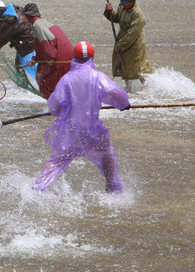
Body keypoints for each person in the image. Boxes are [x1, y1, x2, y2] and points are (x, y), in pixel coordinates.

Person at [34, 41, 130, 194]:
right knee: (107, 155)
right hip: (94, 132)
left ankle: (38, 187)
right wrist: (124, 105)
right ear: (92, 57)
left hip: (70, 133)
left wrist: (63, 110)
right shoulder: (98, 77)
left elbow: (54, 106)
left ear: (74, 58)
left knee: (57, 161)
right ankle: (112, 184)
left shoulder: (67, 79)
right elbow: (117, 94)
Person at [103, 0, 153, 91]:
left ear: (131, 1)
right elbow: (116, 18)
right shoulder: (122, 7)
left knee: (136, 69)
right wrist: (109, 11)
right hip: (123, 40)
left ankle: (146, 86)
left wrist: (120, 44)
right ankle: (128, 88)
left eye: (124, 2)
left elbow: (132, 34)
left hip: (134, 44)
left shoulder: (138, 15)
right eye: (122, 1)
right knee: (123, 66)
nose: (122, 3)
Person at [22, 3, 74, 99]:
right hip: (69, 59)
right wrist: (35, 59)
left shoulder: (37, 26)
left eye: (23, 16)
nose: (22, 19)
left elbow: (48, 42)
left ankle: (59, 109)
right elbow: (43, 46)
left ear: (28, 16)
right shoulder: (44, 23)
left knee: (46, 84)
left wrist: (50, 57)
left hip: (60, 60)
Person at [0, 0, 36, 83]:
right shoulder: (14, 9)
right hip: (30, 42)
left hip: (27, 47)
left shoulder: (8, 21)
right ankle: (23, 88)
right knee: (20, 68)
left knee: (30, 70)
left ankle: (33, 88)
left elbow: (0, 38)